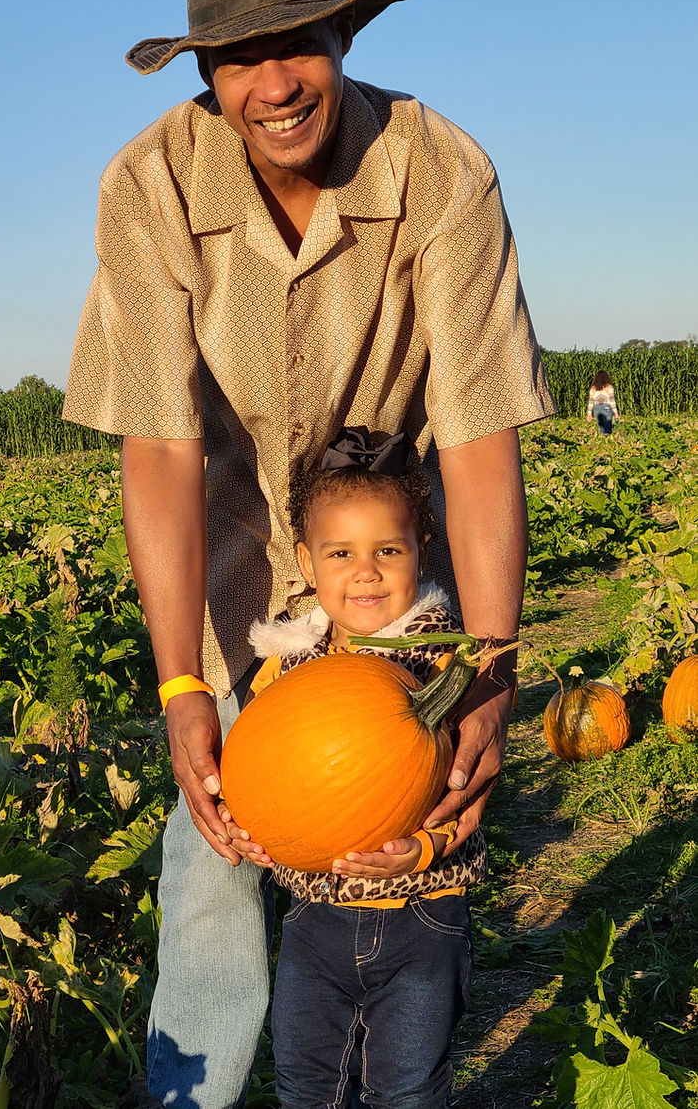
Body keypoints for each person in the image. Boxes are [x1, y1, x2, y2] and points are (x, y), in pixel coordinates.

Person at [63, 0, 554, 1108]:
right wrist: (182, 683)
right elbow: (160, 451)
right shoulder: (147, 187)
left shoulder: (439, 170)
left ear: (342, 37)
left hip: (387, 549)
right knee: (214, 865)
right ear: (208, 73)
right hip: (232, 558)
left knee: (409, 813)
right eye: (238, 57)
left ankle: (396, 1058)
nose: (272, 83)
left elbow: (480, 433)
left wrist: (487, 666)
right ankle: (200, 1093)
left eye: (298, 44)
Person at [234, 426, 484, 1107]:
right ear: (309, 563)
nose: (365, 570)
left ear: (421, 554)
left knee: (406, 1088)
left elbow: (466, 785)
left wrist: (426, 847)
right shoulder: (289, 664)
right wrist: (244, 821)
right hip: (313, 919)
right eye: (342, 552)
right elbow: (261, 763)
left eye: (387, 550)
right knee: (306, 1084)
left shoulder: (439, 661)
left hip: (421, 917)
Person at [587, 370, 620, 435]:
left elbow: (590, 402)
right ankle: (608, 441)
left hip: (596, 408)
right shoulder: (608, 387)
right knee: (608, 427)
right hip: (607, 407)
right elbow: (612, 400)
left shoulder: (593, 388)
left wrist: (589, 413)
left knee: (601, 427)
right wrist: (616, 412)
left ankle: (603, 439)